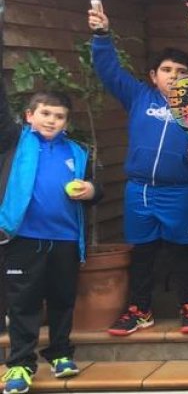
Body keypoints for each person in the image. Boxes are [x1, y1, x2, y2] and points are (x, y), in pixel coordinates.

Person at [87, 7, 188, 336]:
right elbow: (109, 71)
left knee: (183, 252)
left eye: (181, 71)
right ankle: (140, 309)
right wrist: (101, 36)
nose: (173, 75)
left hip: (179, 191)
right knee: (143, 253)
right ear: (153, 75)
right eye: (166, 69)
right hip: (139, 191)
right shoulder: (138, 95)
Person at [0, 87, 101, 394]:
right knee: (22, 304)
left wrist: (90, 190)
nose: (51, 121)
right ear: (29, 116)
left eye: (59, 117)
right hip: (23, 238)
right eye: (45, 114)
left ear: (66, 123)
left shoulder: (78, 151)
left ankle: (60, 354)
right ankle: (20, 363)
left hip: (66, 239)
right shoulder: (14, 143)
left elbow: (99, 188)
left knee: (62, 300)